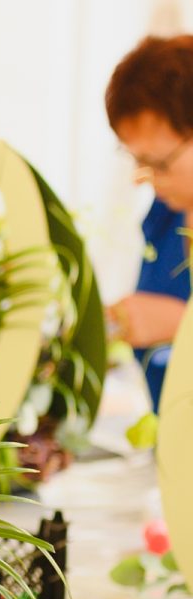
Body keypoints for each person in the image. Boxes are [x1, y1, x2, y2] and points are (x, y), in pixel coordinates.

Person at [105, 34, 193, 408]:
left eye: (157, 163)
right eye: (135, 160)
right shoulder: (164, 220)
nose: (141, 178)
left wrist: (181, 324)